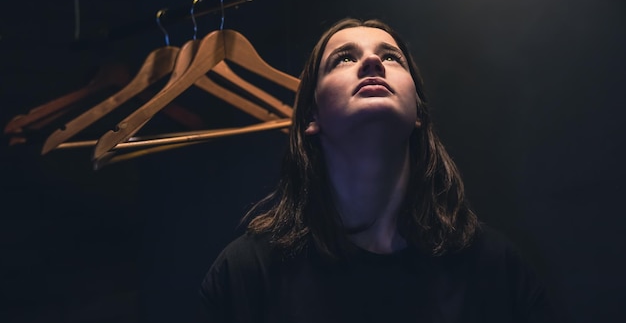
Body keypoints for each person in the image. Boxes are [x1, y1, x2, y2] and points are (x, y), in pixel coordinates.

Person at [198, 18, 558, 322]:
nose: (372, 61)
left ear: (418, 112)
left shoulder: (496, 271)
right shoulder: (246, 276)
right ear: (312, 115)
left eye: (391, 56)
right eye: (343, 58)